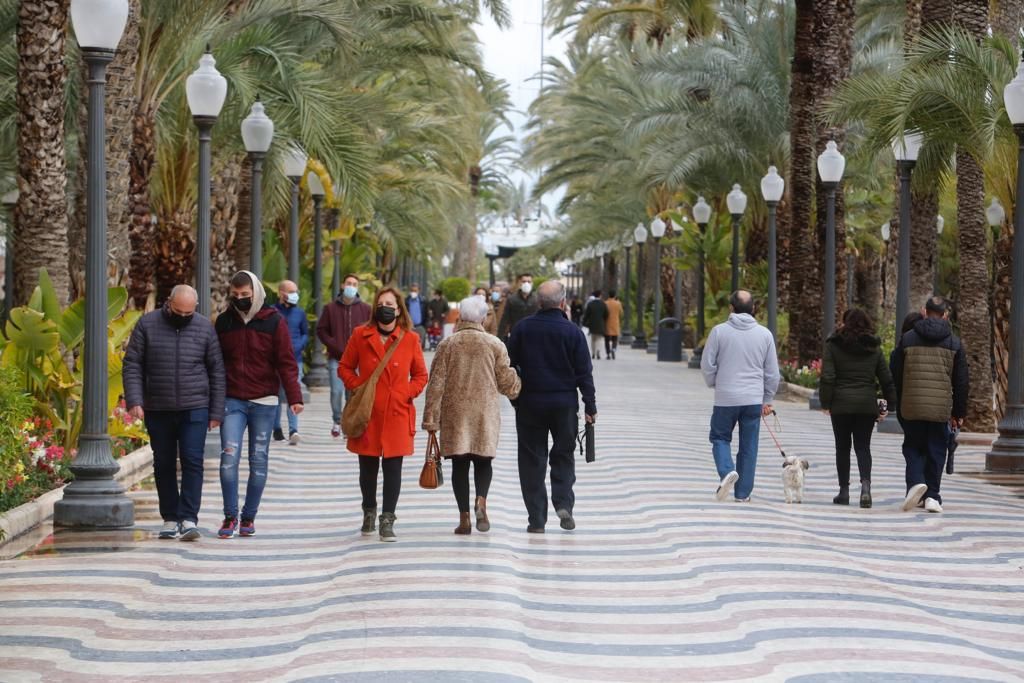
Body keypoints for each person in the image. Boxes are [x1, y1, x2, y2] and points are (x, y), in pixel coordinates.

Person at [123, 285, 224, 541]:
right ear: (168, 302)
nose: (182, 315)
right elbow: (133, 363)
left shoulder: (204, 327)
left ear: (195, 309)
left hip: (195, 407)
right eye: (177, 310)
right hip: (158, 407)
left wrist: (216, 411)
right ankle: (169, 518)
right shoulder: (147, 324)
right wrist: (135, 400)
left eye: (187, 312)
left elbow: (216, 370)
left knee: (192, 461)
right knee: (164, 463)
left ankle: (189, 518)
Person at [422, 296, 522, 534]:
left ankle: (464, 518)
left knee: (460, 464)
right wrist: (518, 385)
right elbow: (506, 383)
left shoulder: (447, 345)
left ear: (461, 317)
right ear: (482, 318)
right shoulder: (494, 344)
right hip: (484, 412)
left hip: (455, 413)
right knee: (483, 460)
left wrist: (431, 420)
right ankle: (481, 501)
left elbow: (435, 384)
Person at [216, 271, 304, 538]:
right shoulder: (224, 322)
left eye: (246, 295)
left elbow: (287, 362)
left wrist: (295, 397)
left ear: (256, 294)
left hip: (264, 402)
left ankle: (248, 517)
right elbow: (215, 363)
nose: (241, 299)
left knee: (259, 461)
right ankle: (230, 516)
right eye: (236, 295)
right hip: (233, 401)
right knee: (228, 459)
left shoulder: (273, 321)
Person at [339, 287, 428, 542]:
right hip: (368, 412)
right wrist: (358, 387)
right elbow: (345, 366)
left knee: (393, 469)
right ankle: (369, 511)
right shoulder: (360, 335)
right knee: (367, 469)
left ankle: (388, 519)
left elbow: (421, 374)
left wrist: (406, 393)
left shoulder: (410, 339)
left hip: (398, 413)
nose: (385, 307)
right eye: (381, 302)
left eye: (390, 303)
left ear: (399, 309)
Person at [508, 280, 596, 533]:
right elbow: (584, 373)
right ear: (563, 302)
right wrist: (590, 405)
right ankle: (563, 503)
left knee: (531, 460)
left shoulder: (522, 329)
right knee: (563, 455)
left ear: (538, 302)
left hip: (530, 404)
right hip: (564, 405)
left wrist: (515, 400)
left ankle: (536, 520)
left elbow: (509, 367)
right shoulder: (572, 332)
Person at [700, 290, 780, 503]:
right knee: (749, 445)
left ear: (731, 308)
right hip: (753, 400)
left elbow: (707, 364)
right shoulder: (765, 335)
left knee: (719, 437)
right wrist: (767, 398)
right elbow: (772, 372)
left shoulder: (719, 332)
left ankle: (727, 471)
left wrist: (715, 383)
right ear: (753, 309)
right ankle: (743, 493)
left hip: (725, 398)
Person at [891, 296, 969, 514]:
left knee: (913, 446)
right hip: (940, 408)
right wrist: (959, 412)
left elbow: (896, 371)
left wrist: (901, 395)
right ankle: (933, 496)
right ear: (945, 315)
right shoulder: (954, 342)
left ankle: (916, 482)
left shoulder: (907, 339)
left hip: (911, 405)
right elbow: (961, 381)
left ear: (925, 312)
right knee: (937, 449)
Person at [819, 308, 897, 508]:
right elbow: (886, 378)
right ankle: (866, 488)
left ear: (844, 323)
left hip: (841, 405)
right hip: (865, 405)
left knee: (842, 448)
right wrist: (892, 403)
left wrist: (826, 402)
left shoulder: (833, 345)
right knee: (863, 447)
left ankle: (844, 492)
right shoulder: (874, 348)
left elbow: (828, 376)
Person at [317, 274, 371, 438]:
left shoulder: (365, 309)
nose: (351, 286)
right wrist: (334, 344)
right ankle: (337, 421)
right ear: (342, 285)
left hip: (357, 361)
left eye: (354, 284)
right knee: (336, 392)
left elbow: (371, 331)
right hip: (336, 358)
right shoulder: (330, 308)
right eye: (349, 283)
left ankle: (348, 423)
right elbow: (321, 330)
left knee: (352, 394)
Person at [273, 279, 308, 445]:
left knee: (293, 394)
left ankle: (294, 429)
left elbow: (305, 333)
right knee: (276, 396)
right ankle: (276, 428)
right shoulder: (272, 312)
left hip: (296, 360)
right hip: (275, 362)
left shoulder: (300, 313)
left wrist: (299, 345)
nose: (295, 295)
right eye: (291, 291)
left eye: (296, 292)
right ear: (281, 293)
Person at [497, 273, 538, 341]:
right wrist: (499, 338)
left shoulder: (537, 299)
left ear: (532, 283)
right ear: (519, 283)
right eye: (524, 281)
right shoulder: (512, 299)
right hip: (516, 335)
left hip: (534, 335)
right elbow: (504, 319)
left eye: (529, 281)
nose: (526, 284)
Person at [581, 290, 608, 360]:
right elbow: (606, 314)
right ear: (600, 295)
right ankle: (598, 351)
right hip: (600, 324)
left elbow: (586, 314)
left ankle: (593, 353)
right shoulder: (603, 304)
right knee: (599, 339)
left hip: (592, 324)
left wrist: (584, 322)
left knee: (593, 339)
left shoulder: (591, 304)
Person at [406, 283, 428, 349]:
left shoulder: (423, 301)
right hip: (409, 327)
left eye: (415, 291)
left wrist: (425, 325)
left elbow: (426, 314)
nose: (413, 292)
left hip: (420, 326)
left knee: (419, 347)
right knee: (409, 346)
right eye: (412, 291)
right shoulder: (406, 301)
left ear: (419, 291)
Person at [604, 290, 623, 360]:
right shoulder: (618, 303)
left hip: (607, 323)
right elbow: (621, 313)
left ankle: (608, 353)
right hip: (615, 323)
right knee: (615, 339)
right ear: (614, 296)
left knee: (607, 339)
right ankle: (614, 349)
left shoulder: (605, 303)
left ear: (609, 295)